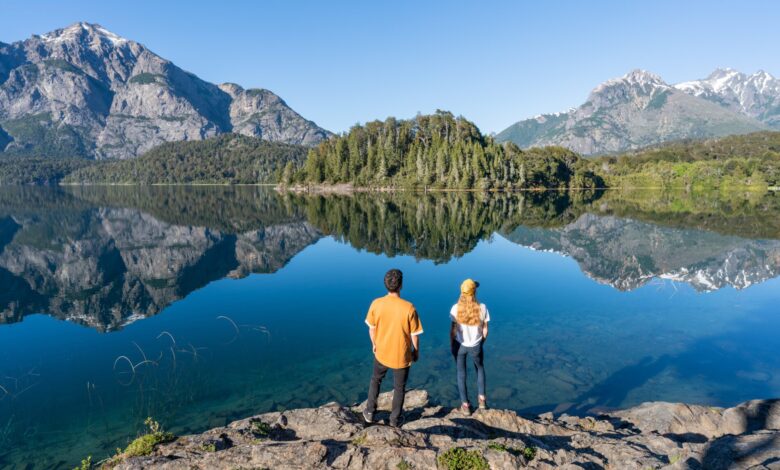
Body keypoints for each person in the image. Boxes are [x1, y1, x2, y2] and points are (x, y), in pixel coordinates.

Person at [363, 269, 423, 427]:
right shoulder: (409, 308)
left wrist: (374, 344)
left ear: (385, 285)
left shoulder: (376, 303)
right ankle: (395, 420)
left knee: (376, 380)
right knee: (399, 387)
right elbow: (414, 334)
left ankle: (369, 412)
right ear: (401, 285)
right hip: (401, 355)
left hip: (381, 352)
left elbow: (371, 328)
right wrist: (415, 351)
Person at [450, 278, 489, 414]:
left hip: (460, 345)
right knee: (479, 368)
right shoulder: (482, 307)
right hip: (476, 346)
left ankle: (465, 406)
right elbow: (485, 330)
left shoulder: (455, 309)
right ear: (474, 292)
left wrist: (452, 345)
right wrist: (480, 342)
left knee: (461, 374)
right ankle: (482, 400)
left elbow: (453, 330)